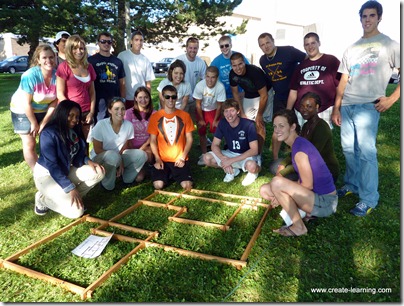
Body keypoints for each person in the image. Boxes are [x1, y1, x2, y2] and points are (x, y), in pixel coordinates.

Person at [331, 0, 400, 217]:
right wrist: (336, 107)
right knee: (349, 150)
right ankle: (352, 185)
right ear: (360, 18)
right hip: (347, 106)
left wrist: (391, 99)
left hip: (368, 108)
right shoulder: (351, 48)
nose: (367, 20)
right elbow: (344, 80)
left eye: (372, 15)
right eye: (364, 16)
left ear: (379, 17)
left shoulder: (390, 44)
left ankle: (369, 198)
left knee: (367, 154)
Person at [259, 109, 337, 236]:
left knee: (276, 183)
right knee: (264, 189)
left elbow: (307, 185)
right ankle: (303, 212)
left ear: (293, 126)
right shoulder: (297, 144)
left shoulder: (300, 149)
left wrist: (282, 191)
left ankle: (299, 226)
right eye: (274, 126)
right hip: (314, 197)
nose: (277, 130)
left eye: (281, 126)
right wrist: (282, 193)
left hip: (326, 202)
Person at [33, 100, 105, 218]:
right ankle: (42, 199)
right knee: (76, 212)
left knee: (98, 172)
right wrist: (70, 187)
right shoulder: (48, 133)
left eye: (77, 116)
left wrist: (88, 161)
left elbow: (77, 155)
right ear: (61, 113)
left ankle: (74, 198)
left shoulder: (73, 131)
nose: (74, 119)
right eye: (70, 115)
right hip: (46, 176)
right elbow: (52, 166)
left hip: (64, 172)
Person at [258, 32, 306, 161]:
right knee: (278, 125)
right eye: (262, 45)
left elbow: (306, 59)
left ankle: (297, 152)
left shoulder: (288, 51)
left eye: (268, 42)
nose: (266, 46)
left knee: (295, 124)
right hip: (279, 96)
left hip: (296, 94)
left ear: (273, 41)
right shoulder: (263, 60)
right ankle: (275, 157)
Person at [10, 45, 58, 170]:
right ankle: (38, 173)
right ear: (38, 60)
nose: (49, 61)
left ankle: (49, 168)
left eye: (51, 57)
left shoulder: (57, 76)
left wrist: (43, 123)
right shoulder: (29, 76)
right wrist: (34, 123)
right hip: (22, 109)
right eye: (44, 58)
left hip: (43, 109)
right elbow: (26, 103)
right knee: (30, 142)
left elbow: (54, 102)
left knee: (47, 140)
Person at [275, 92, 340, 182]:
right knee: (275, 165)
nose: (304, 110)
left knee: (286, 177)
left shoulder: (322, 127)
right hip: (306, 165)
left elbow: (312, 158)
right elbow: (297, 150)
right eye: (302, 106)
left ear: (317, 107)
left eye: (309, 106)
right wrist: (283, 164)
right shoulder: (306, 126)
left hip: (325, 170)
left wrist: (285, 171)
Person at [90, 97, 147, 190]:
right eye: (116, 109)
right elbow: (97, 149)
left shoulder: (128, 125)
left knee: (142, 155)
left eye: (123, 108)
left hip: (117, 156)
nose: (120, 111)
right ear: (109, 110)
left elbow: (125, 145)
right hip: (101, 157)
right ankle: (107, 185)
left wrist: (119, 158)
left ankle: (126, 180)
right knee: (113, 156)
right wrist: (118, 159)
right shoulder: (101, 125)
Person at [286, 32, 341, 128]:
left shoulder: (331, 61)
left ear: (319, 43)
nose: (310, 46)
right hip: (302, 111)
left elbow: (340, 87)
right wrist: (287, 113)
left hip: (323, 109)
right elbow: (293, 91)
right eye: (307, 44)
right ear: (304, 47)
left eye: (313, 43)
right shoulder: (300, 66)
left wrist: (337, 108)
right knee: (304, 138)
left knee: (321, 139)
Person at [203, 98, 261, 186]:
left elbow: (254, 150)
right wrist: (223, 158)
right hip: (230, 152)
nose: (229, 114)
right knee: (206, 158)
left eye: (232, 110)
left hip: (247, 155)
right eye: (226, 111)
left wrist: (231, 161)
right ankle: (233, 170)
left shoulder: (248, 125)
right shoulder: (222, 123)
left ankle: (253, 173)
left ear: (238, 111)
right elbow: (214, 145)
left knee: (252, 167)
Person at [147, 85, 194, 190]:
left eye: (173, 96)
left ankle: (173, 174)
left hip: (179, 159)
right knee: (158, 186)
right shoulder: (155, 117)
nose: (170, 100)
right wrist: (157, 159)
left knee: (187, 186)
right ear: (163, 98)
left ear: (177, 97)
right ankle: (169, 174)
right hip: (162, 159)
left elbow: (190, 139)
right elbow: (153, 141)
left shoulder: (185, 116)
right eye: (167, 97)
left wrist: (183, 157)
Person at [229, 52, 272, 157]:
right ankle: (248, 148)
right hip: (249, 94)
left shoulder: (254, 72)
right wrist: (241, 112)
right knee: (245, 122)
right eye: (234, 65)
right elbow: (235, 93)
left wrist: (259, 115)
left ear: (244, 63)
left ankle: (258, 154)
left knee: (259, 123)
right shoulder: (232, 74)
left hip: (265, 93)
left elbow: (264, 96)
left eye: (240, 64)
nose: (238, 68)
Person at [56, 34, 96, 142]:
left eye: (81, 48)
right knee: (69, 142)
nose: (79, 51)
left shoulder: (89, 67)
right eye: (75, 48)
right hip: (69, 114)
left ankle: (85, 159)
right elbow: (59, 93)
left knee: (84, 143)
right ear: (69, 49)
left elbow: (92, 92)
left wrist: (91, 112)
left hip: (85, 112)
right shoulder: (63, 67)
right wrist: (70, 111)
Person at [88, 31, 126, 123]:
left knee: (115, 125)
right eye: (103, 41)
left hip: (114, 100)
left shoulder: (118, 61)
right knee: (100, 126)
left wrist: (123, 100)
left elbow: (122, 83)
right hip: (98, 101)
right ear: (98, 43)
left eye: (109, 42)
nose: (106, 44)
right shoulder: (90, 61)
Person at [194, 66, 226, 166]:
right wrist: (201, 119)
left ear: (217, 78)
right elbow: (198, 104)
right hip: (202, 110)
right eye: (208, 76)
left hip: (214, 110)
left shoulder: (220, 87)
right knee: (201, 131)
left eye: (213, 77)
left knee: (216, 131)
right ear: (205, 76)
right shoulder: (200, 85)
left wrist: (216, 120)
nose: (210, 80)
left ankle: (216, 153)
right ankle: (204, 154)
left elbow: (220, 105)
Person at [124, 86, 156, 182]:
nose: (143, 100)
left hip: (147, 146)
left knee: (149, 153)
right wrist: (134, 149)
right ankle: (137, 168)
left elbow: (153, 135)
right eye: (140, 97)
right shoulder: (128, 113)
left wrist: (143, 147)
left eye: (146, 97)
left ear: (149, 98)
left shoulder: (154, 113)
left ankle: (148, 167)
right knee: (139, 178)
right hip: (131, 147)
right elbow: (126, 134)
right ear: (135, 98)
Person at [118, 30, 155, 110]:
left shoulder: (145, 60)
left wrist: (147, 99)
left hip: (141, 100)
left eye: (141, 40)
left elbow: (148, 83)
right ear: (131, 41)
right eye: (136, 40)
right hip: (126, 98)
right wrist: (122, 98)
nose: (139, 42)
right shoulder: (122, 56)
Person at [175, 37, 207, 122]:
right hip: (179, 99)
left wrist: (199, 94)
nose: (193, 50)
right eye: (190, 48)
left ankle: (202, 136)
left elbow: (204, 80)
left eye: (195, 48)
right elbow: (171, 79)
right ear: (186, 48)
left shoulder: (200, 62)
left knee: (199, 121)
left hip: (193, 98)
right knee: (181, 123)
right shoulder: (178, 60)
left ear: (198, 49)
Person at [210, 35, 249, 99]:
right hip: (224, 95)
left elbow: (248, 72)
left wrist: (245, 91)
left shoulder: (239, 56)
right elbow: (210, 76)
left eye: (226, 45)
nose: (224, 48)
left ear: (231, 45)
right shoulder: (216, 61)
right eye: (221, 46)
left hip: (240, 93)